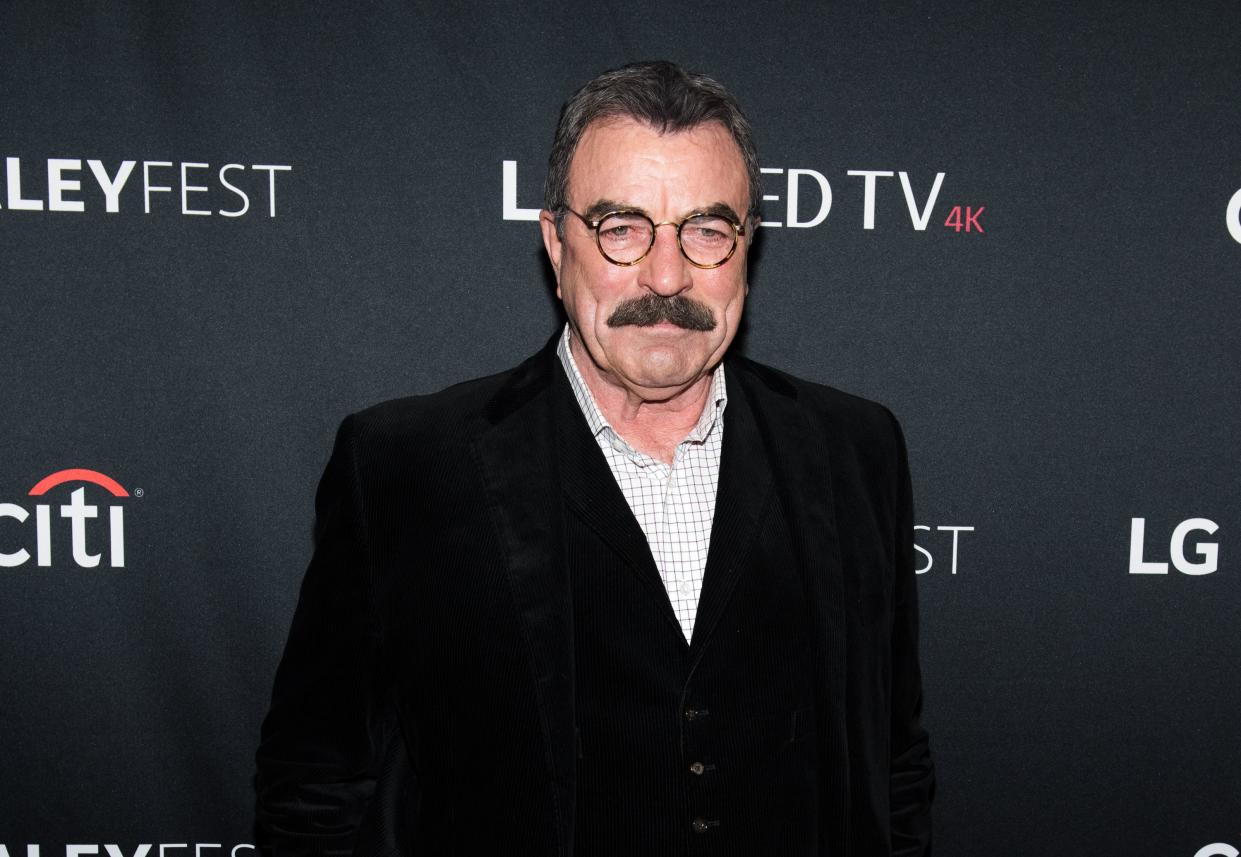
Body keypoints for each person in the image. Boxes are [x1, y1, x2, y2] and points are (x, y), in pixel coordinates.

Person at [255, 60, 934, 857]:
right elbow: (316, 782)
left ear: (747, 248)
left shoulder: (854, 451)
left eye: (707, 231)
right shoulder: (404, 468)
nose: (666, 275)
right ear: (555, 242)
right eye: (622, 227)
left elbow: (895, 763)